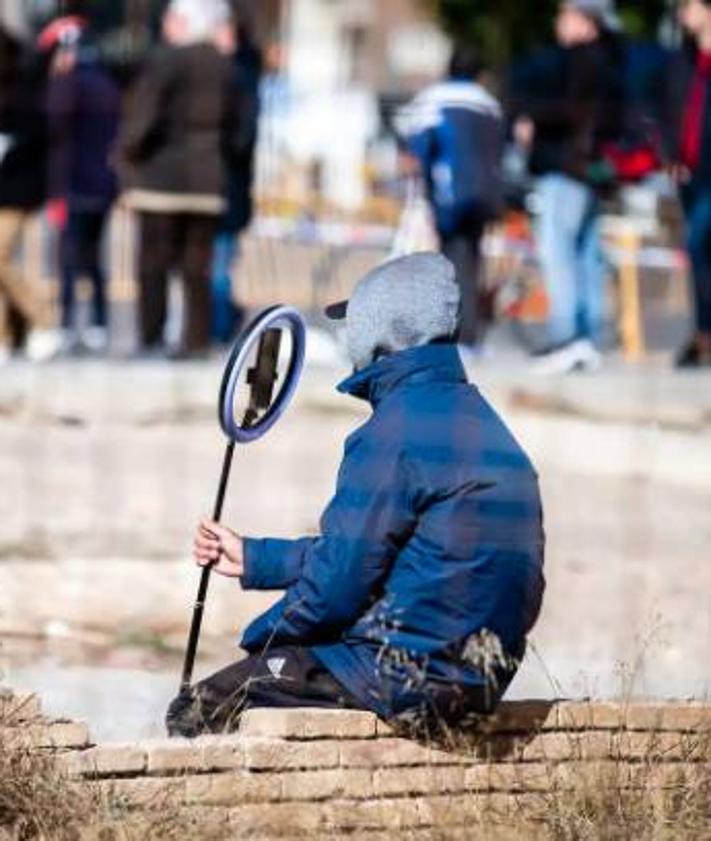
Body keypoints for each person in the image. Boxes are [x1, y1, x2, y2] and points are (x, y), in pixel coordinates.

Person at [166, 252, 545, 737]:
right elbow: (386, 554)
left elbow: (338, 585)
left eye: (353, 323)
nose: (348, 337)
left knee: (202, 706)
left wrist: (262, 644)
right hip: (481, 678)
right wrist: (256, 559)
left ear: (381, 333)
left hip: (407, 676)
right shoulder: (482, 424)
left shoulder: (395, 432)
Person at [119, 0, 242, 359]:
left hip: (161, 178)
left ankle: (151, 337)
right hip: (208, 179)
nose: (165, 25)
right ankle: (196, 340)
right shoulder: (226, 68)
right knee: (197, 266)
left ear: (186, 22)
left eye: (171, 18)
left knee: (153, 263)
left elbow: (145, 117)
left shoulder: (166, 61)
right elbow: (238, 131)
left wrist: (128, 153)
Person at [511, 0, 625, 374]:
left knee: (558, 252)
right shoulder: (612, 61)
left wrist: (532, 117)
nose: (559, 22)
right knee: (586, 255)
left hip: (566, 167)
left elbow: (570, 111)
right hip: (592, 173)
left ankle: (565, 337)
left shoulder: (577, 61)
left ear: (586, 21)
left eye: (566, 15)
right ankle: (588, 337)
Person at [396, 45, 504, 349]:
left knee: (449, 263)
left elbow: (415, 144)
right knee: (471, 261)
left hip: (449, 194)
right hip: (486, 193)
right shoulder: (490, 105)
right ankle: (469, 333)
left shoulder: (434, 99)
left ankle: (451, 336)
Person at [43, 16, 120, 354]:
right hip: (102, 183)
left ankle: (67, 322)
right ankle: (99, 322)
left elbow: (53, 121)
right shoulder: (106, 84)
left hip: (72, 184)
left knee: (68, 258)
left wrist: (58, 81)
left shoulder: (69, 86)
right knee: (94, 257)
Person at [0, 25, 61, 364]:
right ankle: (8, 336)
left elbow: (37, 139)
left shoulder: (23, 93)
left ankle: (43, 318)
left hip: (14, 192)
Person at [210, 10, 262, 344]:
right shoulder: (243, 78)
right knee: (219, 265)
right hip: (228, 189)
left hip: (228, 190)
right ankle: (221, 321)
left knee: (219, 267)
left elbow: (241, 141)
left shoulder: (240, 80)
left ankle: (219, 327)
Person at [668, 0, 711, 368]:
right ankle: (702, 333)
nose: (683, 14)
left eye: (689, 6)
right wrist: (676, 157)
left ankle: (703, 335)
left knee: (698, 247)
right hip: (692, 176)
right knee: (700, 256)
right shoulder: (688, 62)